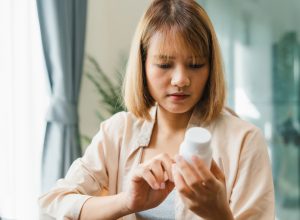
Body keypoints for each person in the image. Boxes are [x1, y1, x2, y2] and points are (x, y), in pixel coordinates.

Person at [39, 0, 275, 219]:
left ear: (210, 68)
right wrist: (128, 201)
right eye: (164, 64)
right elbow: (55, 202)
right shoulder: (118, 132)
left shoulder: (244, 141)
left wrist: (219, 214)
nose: (181, 79)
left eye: (195, 64)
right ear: (143, 64)